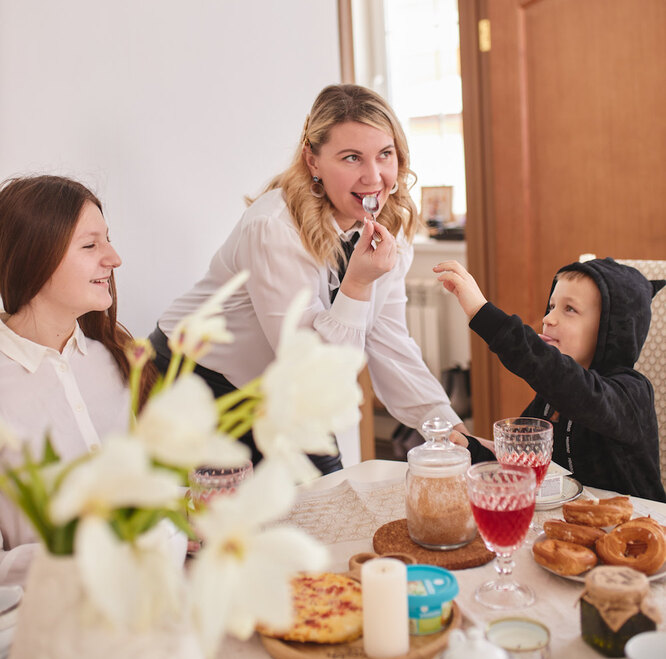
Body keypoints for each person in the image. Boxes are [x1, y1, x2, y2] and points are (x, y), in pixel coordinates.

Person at [149, 83, 464, 473]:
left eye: (385, 154)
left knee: (329, 501)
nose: (374, 176)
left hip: (280, 387)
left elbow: (389, 340)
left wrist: (448, 428)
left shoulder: (391, 228)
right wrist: (358, 284)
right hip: (197, 380)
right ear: (312, 161)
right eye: (351, 158)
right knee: (236, 521)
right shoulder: (273, 228)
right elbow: (316, 371)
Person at [0, 174, 155, 585]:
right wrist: (87, 555)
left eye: (107, 239)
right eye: (90, 245)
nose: (114, 258)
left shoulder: (115, 356)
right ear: (35, 257)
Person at [434, 256, 666, 501]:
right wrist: (471, 449)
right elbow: (522, 466)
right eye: (552, 306)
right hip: (570, 525)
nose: (548, 319)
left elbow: (567, 382)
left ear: (610, 329)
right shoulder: (550, 397)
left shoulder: (631, 394)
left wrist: (483, 314)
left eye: (570, 309)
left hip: (639, 527)